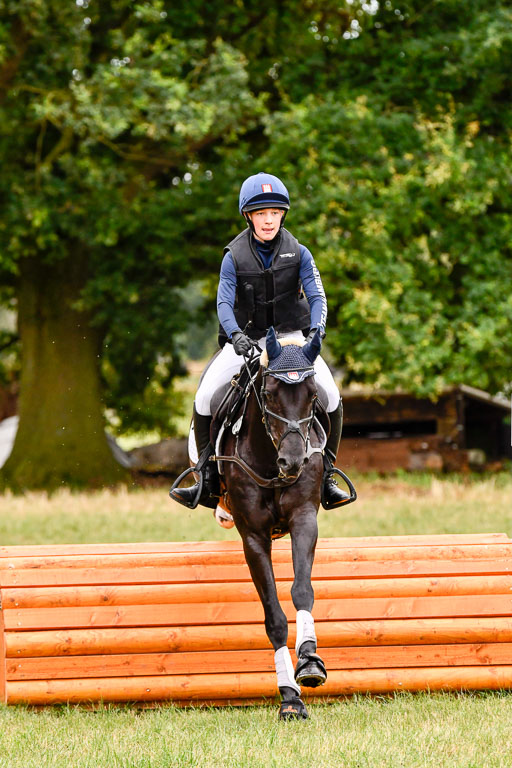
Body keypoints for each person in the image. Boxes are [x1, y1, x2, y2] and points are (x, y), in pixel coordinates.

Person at [171, 172, 348, 509]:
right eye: (262, 214)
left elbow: (318, 297)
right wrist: (235, 335)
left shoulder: (300, 253)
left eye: (275, 213)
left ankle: (327, 476)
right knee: (206, 397)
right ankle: (206, 478)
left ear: (282, 215)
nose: (269, 220)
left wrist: (316, 332)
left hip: (292, 339)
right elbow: (223, 302)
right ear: (249, 216)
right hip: (247, 341)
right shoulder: (233, 257)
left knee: (331, 396)